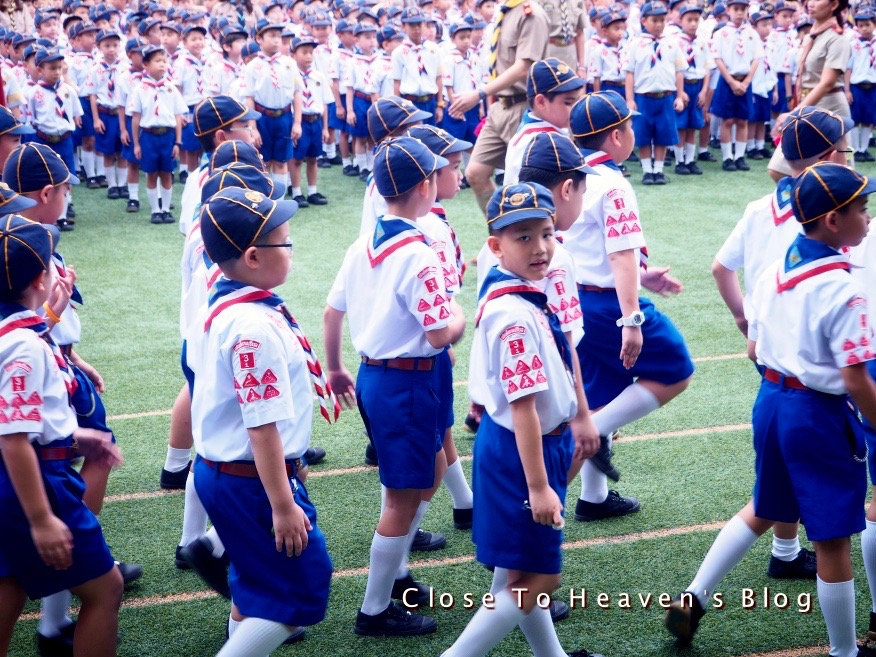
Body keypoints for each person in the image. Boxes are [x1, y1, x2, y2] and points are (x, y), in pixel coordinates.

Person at [667, 162, 876, 657]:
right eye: (862, 210)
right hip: (819, 414)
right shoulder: (846, 290)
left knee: (765, 506)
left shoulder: (779, 267)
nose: (868, 219)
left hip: (772, 402)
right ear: (832, 221)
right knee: (832, 537)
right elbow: (854, 379)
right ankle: (845, 651)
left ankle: (692, 598)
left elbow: (753, 349)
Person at [442, 181, 600, 657]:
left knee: (520, 573)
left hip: (532, 444)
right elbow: (524, 407)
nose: (540, 247)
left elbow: (562, 356)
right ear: (496, 246)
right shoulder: (513, 314)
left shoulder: (528, 292)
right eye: (523, 237)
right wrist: (538, 486)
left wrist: (583, 414)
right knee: (541, 577)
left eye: (546, 233)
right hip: (520, 452)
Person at [324, 137, 464, 636]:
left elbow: (332, 309)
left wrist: (336, 366)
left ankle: (397, 573)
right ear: (426, 186)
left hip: (381, 374)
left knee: (431, 468)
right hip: (407, 380)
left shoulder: (363, 243)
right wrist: (461, 317)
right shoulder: (419, 254)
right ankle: (374, 608)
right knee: (402, 498)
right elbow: (438, 332)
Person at [188, 187, 335, 656]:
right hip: (251, 480)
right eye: (285, 242)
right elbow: (261, 425)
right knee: (300, 588)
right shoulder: (254, 326)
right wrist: (283, 503)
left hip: (230, 473)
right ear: (253, 256)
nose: (291, 251)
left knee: (255, 577)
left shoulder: (231, 300)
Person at [711, 105, 852, 588]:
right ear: (832, 155)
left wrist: (742, 319)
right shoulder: (833, 214)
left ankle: (784, 550)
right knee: (839, 500)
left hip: (771, 354)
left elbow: (720, 268)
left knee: (778, 472)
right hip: (830, 364)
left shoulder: (760, 208)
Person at [566, 91, 695, 521]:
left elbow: (595, 252)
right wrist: (632, 318)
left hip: (579, 299)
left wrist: (643, 275)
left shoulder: (570, 174)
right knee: (676, 369)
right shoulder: (613, 183)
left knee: (602, 391)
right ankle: (596, 436)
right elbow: (620, 256)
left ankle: (592, 498)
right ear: (617, 136)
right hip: (606, 306)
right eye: (630, 126)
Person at [0, 215, 124, 657]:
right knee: (105, 591)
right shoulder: (23, 346)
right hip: (34, 483)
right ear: (39, 278)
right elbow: (14, 438)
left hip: (30, 473)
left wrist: (74, 439)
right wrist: (41, 518)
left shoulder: (20, 332)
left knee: (9, 587)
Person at [448, 0, 549, 215]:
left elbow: (524, 67)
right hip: (500, 107)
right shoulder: (504, 12)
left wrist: (480, 93)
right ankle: (502, 234)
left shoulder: (530, 14)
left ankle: (531, 240)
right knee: (475, 172)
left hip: (522, 106)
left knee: (527, 185)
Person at [767, 0, 850, 181]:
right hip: (809, 104)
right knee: (782, 169)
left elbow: (827, 82)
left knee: (838, 176)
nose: (810, 4)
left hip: (829, 107)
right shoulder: (811, 35)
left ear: (834, 4)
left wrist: (795, 113)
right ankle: (806, 206)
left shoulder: (838, 39)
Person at [624, 0, 687, 185]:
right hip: (644, 97)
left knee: (663, 135)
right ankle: (646, 171)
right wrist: (629, 99)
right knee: (644, 135)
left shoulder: (672, 43)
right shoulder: (635, 44)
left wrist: (680, 95)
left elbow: (679, 71)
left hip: (665, 97)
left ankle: (658, 170)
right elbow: (630, 73)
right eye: (654, 20)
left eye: (662, 20)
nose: (659, 24)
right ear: (644, 21)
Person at [243, 19, 304, 196]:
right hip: (263, 118)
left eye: (278, 36)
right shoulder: (253, 66)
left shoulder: (289, 63)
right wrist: (253, 127)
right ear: (258, 39)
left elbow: (297, 93)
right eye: (271, 36)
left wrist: (297, 122)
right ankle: (264, 198)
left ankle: (279, 199)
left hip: (284, 117)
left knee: (281, 160)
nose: (276, 40)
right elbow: (250, 98)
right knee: (264, 161)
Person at [502, 57, 584, 186]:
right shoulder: (539, 142)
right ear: (541, 102)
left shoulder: (537, 132)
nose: (575, 108)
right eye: (568, 102)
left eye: (577, 101)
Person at [129, 45, 186, 225]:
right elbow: (136, 117)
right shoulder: (140, 89)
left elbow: (178, 116)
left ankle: (166, 209)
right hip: (149, 136)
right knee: (151, 173)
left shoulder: (171, 88)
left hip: (167, 136)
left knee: (167, 173)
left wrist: (178, 142)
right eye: (157, 61)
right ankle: (155, 210)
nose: (162, 64)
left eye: (164, 61)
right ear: (145, 64)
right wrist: (137, 144)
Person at [28, 48, 82, 231]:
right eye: (52, 68)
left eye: (59, 68)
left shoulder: (68, 91)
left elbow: (76, 114)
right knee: (45, 179)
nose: (57, 72)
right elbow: (31, 118)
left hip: (65, 140)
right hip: (44, 139)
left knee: (65, 178)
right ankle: (46, 217)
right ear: (39, 70)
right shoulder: (34, 93)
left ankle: (63, 216)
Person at [710, 0, 762, 172]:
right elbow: (718, 58)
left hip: (745, 80)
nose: (739, 13)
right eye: (736, 9)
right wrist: (732, 82)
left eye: (743, 9)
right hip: (728, 80)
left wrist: (746, 81)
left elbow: (756, 58)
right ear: (728, 10)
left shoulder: (752, 33)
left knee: (742, 119)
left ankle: (739, 156)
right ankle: (727, 157)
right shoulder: (721, 33)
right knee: (728, 120)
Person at [289, 34, 331, 207]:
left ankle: (313, 191)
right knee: (296, 159)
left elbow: (325, 104)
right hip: (300, 121)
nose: (308, 56)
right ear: (293, 55)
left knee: (313, 158)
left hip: (316, 121)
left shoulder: (319, 77)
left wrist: (325, 128)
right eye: (304, 52)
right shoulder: (290, 76)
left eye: (311, 53)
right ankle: (297, 192)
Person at [673, 3, 712, 175]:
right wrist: (680, 92)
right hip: (682, 86)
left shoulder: (702, 43)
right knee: (681, 126)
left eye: (696, 20)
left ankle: (690, 160)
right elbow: (674, 69)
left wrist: (704, 91)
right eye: (689, 20)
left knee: (693, 126)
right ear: (681, 20)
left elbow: (707, 68)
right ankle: (679, 160)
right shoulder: (675, 42)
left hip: (697, 86)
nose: (693, 23)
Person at [89, 30, 126, 200]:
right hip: (105, 114)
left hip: (121, 114)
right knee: (108, 152)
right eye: (107, 46)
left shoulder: (124, 68)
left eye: (115, 45)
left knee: (123, 152)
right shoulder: (96, 69)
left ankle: (123, 184)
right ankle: (112, 185)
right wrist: (96, 119)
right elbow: (93, 95)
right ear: (99, 47)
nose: (111, 49)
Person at [392, 7, 444, 125]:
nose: (416, 29)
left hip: (430, 100)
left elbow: (439, 77)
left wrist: (439, 104)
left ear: (424, 25)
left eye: (419, 24)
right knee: (414, 137)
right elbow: (397, 83)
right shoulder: (399, 53)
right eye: (411, 25)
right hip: (410, 102)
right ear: (403, 27)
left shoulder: (433, 49)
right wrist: (399, 108)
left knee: (431, 138)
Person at [846, 6, 876, 163]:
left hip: (872, 87)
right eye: (860, 25)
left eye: (867, 24)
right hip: (856, 87)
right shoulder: (853, 44)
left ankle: (864, 149)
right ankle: (855, 149)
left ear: (874, 24)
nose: (864, 28)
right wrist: (847, 90)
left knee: (868, 120)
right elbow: (848, 69)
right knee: (854, 119)